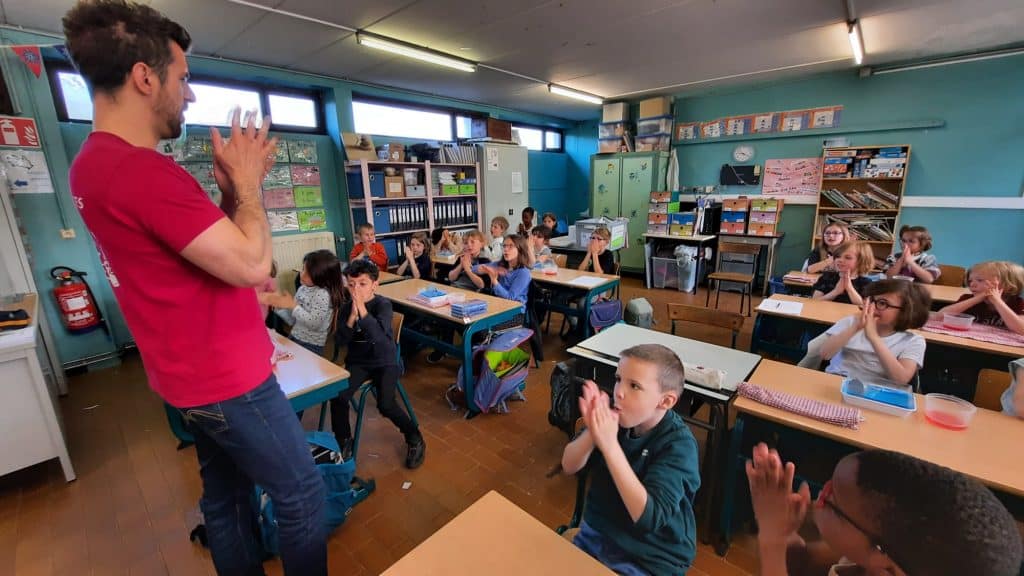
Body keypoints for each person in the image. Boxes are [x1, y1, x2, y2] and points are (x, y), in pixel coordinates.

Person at [62, 2, 327, 574]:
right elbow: (253, 264)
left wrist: (231, 195)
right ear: (144, 77)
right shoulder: (142, 171)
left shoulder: (91, 166)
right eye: (182, 77)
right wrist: (251, 188)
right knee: (302, 494)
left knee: (226, 499)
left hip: (186, 380)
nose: (189, 94)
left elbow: (206, 255)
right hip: (230, 382)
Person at [746, 443, 1022, 576]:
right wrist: (783, 532)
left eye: (831, 499)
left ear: (884, 559)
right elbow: (801, 562)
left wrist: (771, 536)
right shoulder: (876, 558)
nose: (821, 493)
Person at [561, 344, 700, 575]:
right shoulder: (616, 417)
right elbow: (568, 465)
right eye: (618, 379)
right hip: (598, 534)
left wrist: (610, 446)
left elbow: (648, 518)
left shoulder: (678, 446)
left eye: (634, 385)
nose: (619, 392)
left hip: (649, 557)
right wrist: (593, 433)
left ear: (665, 401)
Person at [331, 260, 425, 468]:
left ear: (375, 285)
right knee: (338, 396)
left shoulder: (383, 305)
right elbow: (340, 341)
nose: (356, 290)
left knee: (386, 404)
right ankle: (344, 441)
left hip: (384, 361)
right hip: (359, 362)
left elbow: (381, 341)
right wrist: (352, 317)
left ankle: (414, 436)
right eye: (351, 284)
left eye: (362, 284)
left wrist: (362, 312)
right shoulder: (346, 308)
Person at [819, 279, 931, 388]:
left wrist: (873, 337)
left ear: (906, 311)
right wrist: (855, 327)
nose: (871, 307)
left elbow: (901, 379)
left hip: (879, 392)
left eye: (882, 303)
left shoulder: (913, 341)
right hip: (837, 383)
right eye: (870, 300)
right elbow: (825, 354)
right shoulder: (852, 322)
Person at [262, 250, 343, 356]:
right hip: (295, 337)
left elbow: (314, 324)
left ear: (320, 277)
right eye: (303, 269)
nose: (301, 273)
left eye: (306, 272)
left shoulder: (323, 295)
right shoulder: (302, 289)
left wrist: (293, 306)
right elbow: (292, 320)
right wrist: (279, 307)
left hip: (311, 345)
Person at [427, 229, 491, 363]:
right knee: (440, 313)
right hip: (454, 291)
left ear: (481, 244)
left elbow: (482, 284)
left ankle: (456, 346)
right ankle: (444, 346)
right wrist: (461, 265)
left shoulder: (484, 261)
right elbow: (451, 277)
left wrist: (468, 269)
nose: (469, 245)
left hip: (471, 296)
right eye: (466, 243)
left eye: (473, 242)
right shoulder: (462, 258)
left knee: (451, 316)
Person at [938, 260, 1024, 334]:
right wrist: (976, 299)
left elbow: (1021, 329)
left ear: (1007, 285)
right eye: (970, 281)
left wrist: (997, 301)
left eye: (980, 280)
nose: (972, 284)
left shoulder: (1018, 304)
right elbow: (938, 317)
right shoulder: (967, 299)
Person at [478, 234, 532, 307]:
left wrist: (494, 280)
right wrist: (488, 269)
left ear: (520, 249)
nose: (505, 249)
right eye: (504, 246)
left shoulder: (523, 272)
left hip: (514, 309)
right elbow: (475, 269)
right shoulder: (500, 265)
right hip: (498, 303)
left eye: (511, 246)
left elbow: (510, 297)